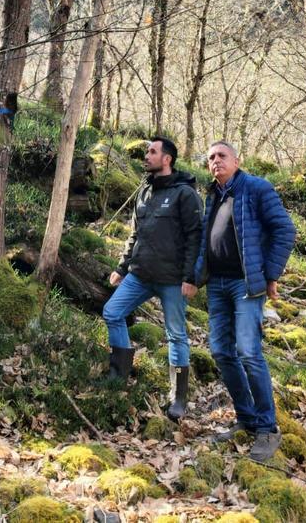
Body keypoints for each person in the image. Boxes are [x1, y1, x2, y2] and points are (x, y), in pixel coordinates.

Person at [195, 139, 296, 462]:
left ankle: (268, 428)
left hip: (245, 285)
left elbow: (285, 230)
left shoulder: (256, 188)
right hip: (217, 285)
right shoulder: (213, 195)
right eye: (210, 157)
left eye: (222, 156)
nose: (215, 161)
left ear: (237, 160)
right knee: (221, 352)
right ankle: (248, 419)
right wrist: (194, 276)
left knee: (249, 352)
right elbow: (205, 240)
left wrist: (271, 275)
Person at [102, 136, 203, 421]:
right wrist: (122, 268)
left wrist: (191, 277)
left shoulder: (186, 194)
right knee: (112, 312)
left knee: (176, 335)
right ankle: (118, 375)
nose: (146, 156)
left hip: (173, 280)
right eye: (147, 151)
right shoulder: (145, 191)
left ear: (167, 159)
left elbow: (196, 237)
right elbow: (135, 233)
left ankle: (178, 398)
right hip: (140, 275)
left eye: (152, 152)